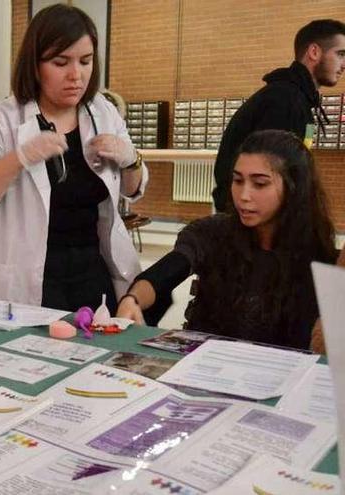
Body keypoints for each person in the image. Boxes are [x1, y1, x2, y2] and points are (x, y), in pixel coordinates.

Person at [0, 4, 148, 310]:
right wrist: (19, 157)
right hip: (25, 280)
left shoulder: (102, 112)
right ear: (35, 63)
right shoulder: (2, 119)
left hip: (91, 272)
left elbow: (132, 189)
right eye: (61, 62)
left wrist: (130, 159)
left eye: (86, 61)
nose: (76, 75)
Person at [117, 130, 337, 350]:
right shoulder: (214, 232)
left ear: (293, 187)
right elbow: (169, 270)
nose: (243, 195)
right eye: (238, 180)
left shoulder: (320, 255)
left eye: (260, 184)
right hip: (204, 366)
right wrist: (133, 299)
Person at [211, 19, 345, 211]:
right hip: (249, 218)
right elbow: (267, 172)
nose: (344, 64)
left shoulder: (298, 99)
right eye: (340, 54)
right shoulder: (285, 100)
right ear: (314, 52)